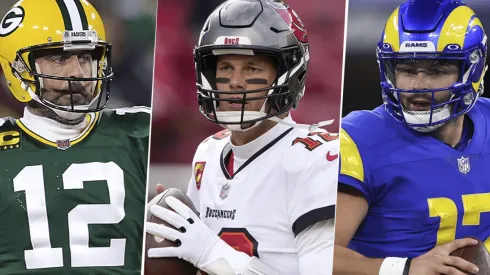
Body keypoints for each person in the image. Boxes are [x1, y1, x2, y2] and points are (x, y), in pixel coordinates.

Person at [145, 0, 338, 274]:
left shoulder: (316, 159)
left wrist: (210, 251)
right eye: (225, 68)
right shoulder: (208, 153)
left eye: (252, 68)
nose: (235, 81)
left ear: (287, 75)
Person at [335, 0, 489, 274]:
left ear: (473, 70)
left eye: (437, 71)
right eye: (406, 70)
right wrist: (404, 268)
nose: (418, 85)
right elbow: (316, 253)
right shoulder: (359, 139)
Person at [0, 0, 150, 274]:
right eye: (59, 58)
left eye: (85, 57)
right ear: (16, 69)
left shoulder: (140, 133)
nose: (77, 74)